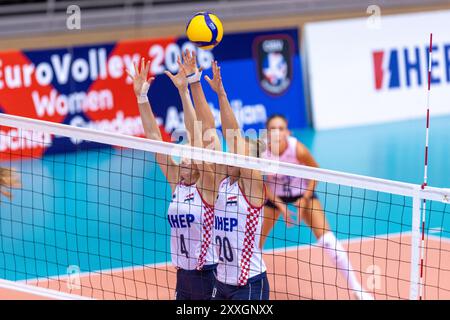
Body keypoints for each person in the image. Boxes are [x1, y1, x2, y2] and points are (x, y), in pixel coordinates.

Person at [127, 57, 219, 300]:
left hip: (209, 274)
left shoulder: (208, 185)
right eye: (183, 155)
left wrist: (185, 90)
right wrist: (142, 98)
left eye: (190, 155)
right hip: (183, 277)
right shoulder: (177, 182)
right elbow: (153, 136)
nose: (184, 159)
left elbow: (198, 133)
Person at [260, 114, 373, 300]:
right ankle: (249, 287)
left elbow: (315, 171)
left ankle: (357, 289)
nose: (277, 133)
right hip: (274, 198)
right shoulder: (263, 152)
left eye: (281, 128)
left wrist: (304, 199)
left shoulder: (297, 149)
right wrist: (280, 207)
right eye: (273, 129)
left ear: (287, 131)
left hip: (302, 193)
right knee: (255, 244)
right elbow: (261, 183)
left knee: (328, 241)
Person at [205, 60, 269, 300]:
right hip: (220, 283)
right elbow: (208, 130)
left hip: (249, 285)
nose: (231, 154)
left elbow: (234, 138)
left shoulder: (251, 187)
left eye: (237, 154)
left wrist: (222, 94)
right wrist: (193, 83)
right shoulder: (223, 182)